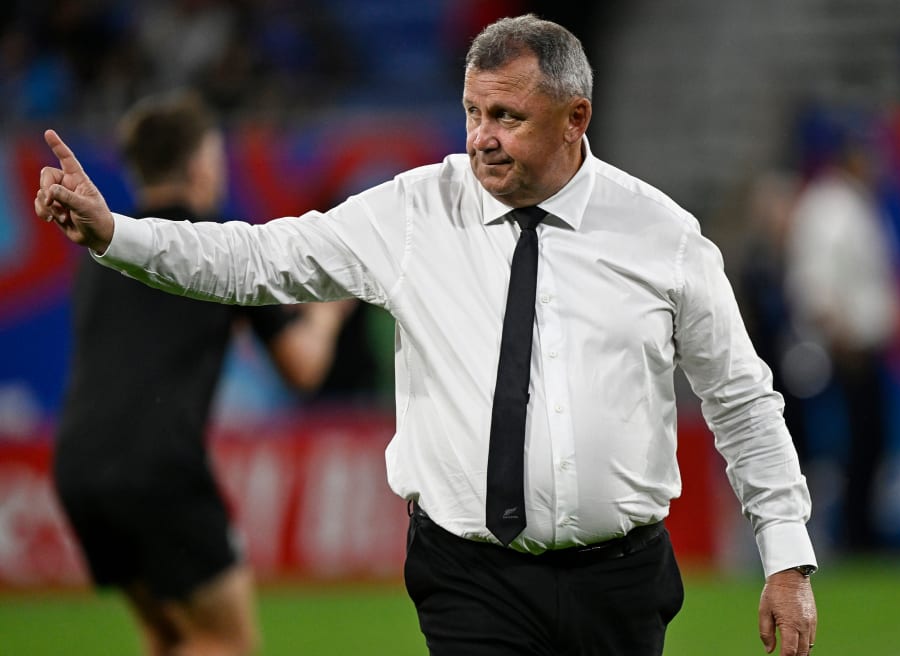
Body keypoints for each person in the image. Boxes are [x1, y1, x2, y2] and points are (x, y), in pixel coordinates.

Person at [37, 15, 818, 656]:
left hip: (621, 582)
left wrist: (785, 555)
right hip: (468, 576)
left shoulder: (661, 235)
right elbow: (257, 259)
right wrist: (117, 235)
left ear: (576, 117)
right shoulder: (413, 213)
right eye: (473, 112)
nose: (482, 137)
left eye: (507, 117)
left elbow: (742, 401)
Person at [50, 90, 350, 656]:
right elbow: (303, 368)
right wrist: (330, 315)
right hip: (159, 466)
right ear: (198, 163)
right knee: (226, 643)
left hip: (78, 467)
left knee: (167, 637)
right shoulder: (221, 247)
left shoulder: (100, 256)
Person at [784, 121, 900, 555]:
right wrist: (841, 335)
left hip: (861, 349)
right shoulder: (830, 205)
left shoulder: (856, 202)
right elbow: (813, 282)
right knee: (843, 449)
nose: (878, 164)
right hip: (842, 352)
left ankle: (860, 534)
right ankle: (846, 539)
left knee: (868, 448)